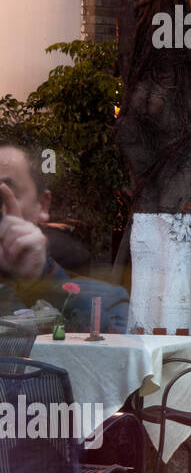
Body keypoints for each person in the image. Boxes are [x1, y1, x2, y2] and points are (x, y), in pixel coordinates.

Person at [0, 140, 129, 332]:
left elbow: (113, 354)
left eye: (4, 195)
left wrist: (42, 276)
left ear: (42, 205)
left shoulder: (106, 301)